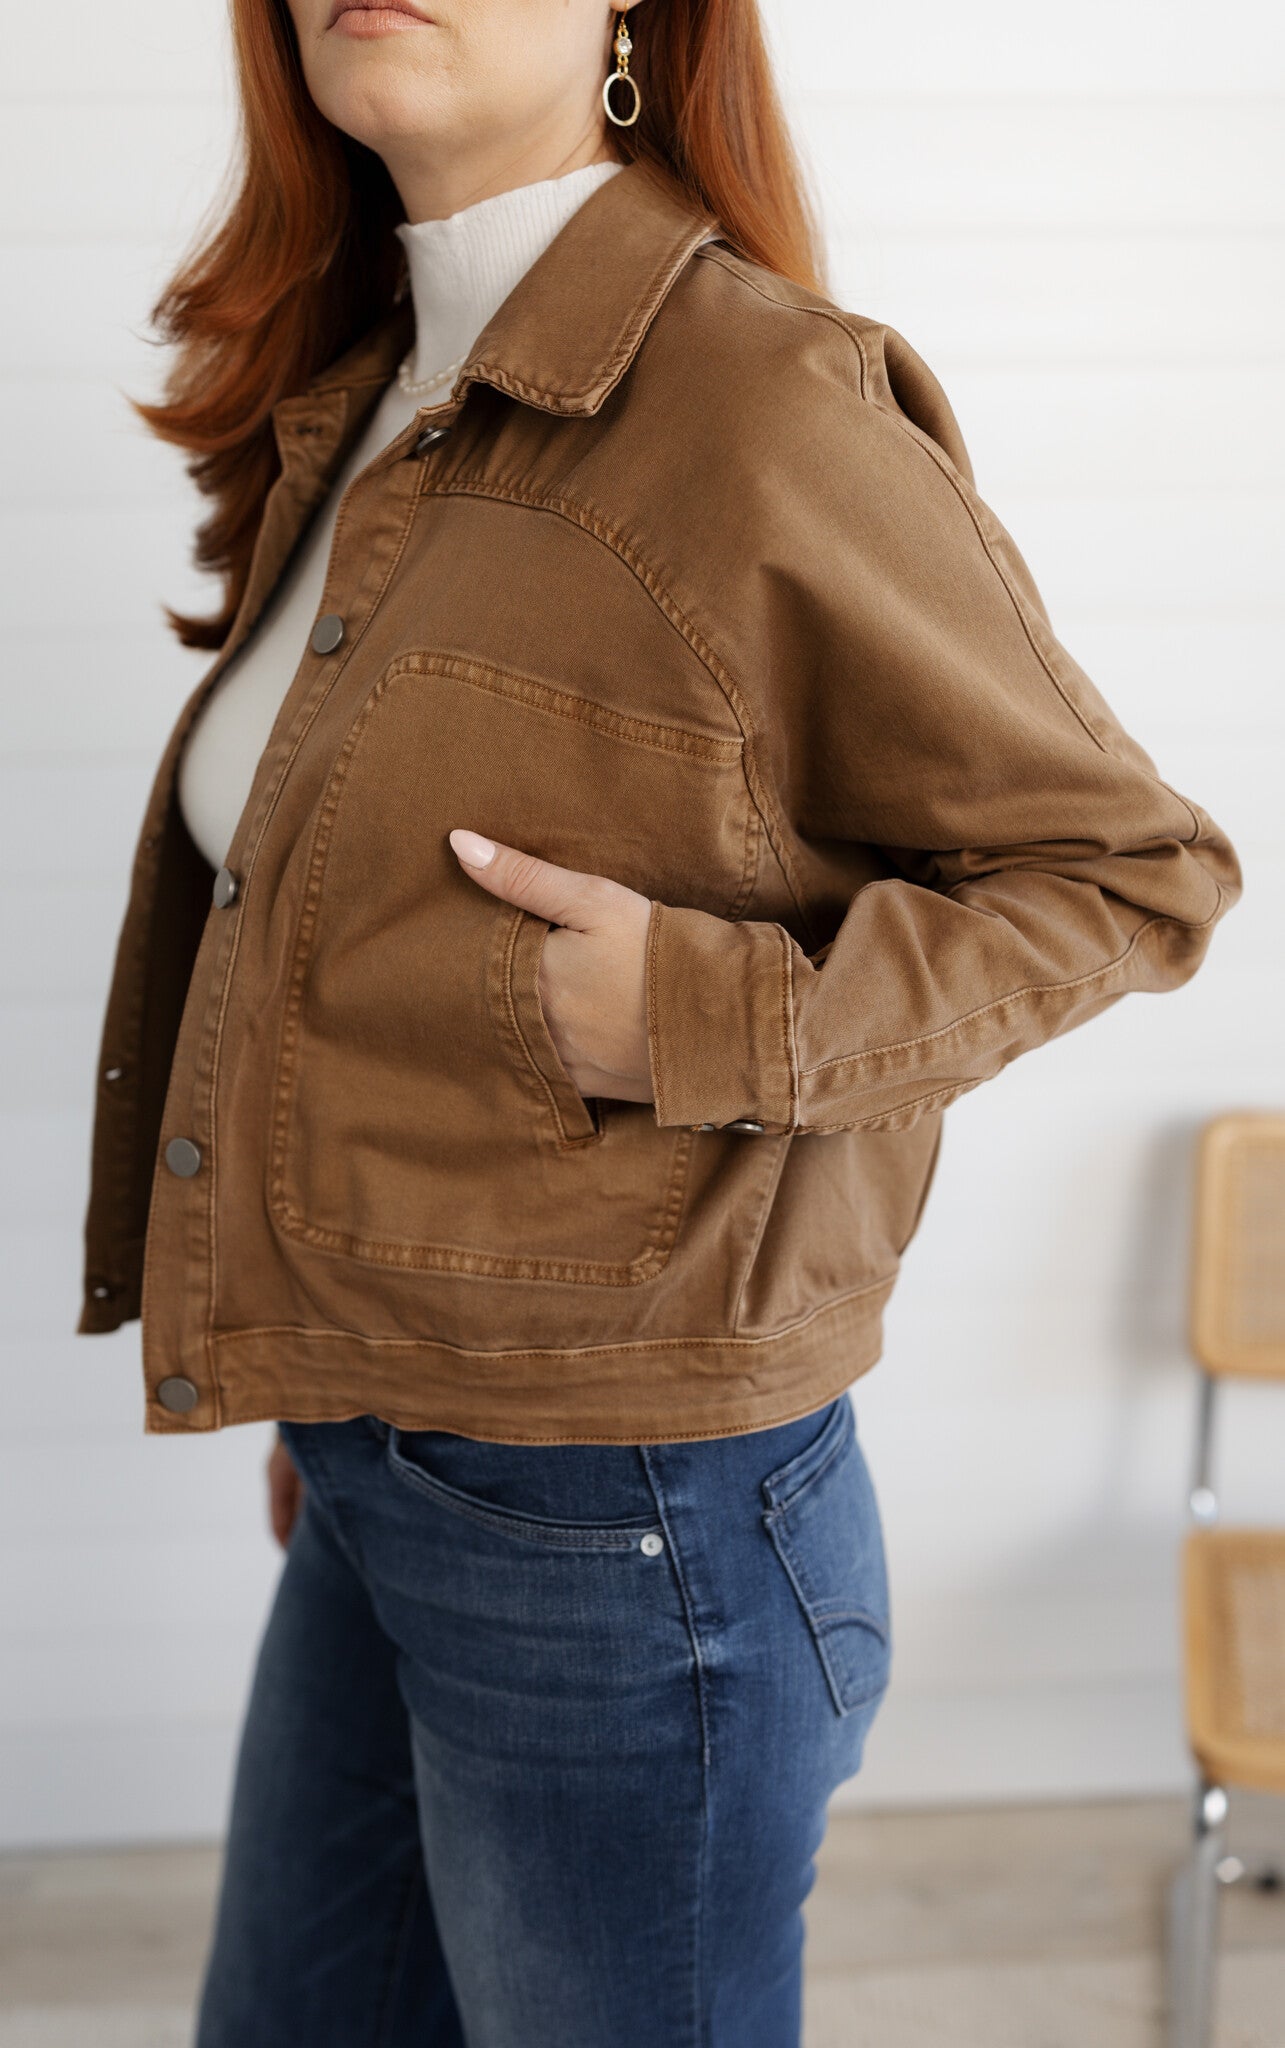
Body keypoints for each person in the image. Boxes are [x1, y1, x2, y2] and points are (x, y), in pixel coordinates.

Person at [76, 2, 1241, 2042]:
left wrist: (710, 1011)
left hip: (626, 1532)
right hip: (381, 1454)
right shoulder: (372, 390)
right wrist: (329, 1341)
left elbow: (1124, 875)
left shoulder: (757, 401)